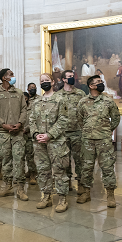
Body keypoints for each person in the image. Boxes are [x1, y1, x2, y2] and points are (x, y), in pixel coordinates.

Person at [77, 75, 120, 207]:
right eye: (98, 82)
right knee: (86, 167)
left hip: (104, 140)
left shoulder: (108, 101)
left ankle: (110, 195)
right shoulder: (82, 102)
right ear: (91, 86)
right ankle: (86, 193)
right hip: (88, 140)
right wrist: (88, 130)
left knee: (107, 167)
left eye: (101, 81)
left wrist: (106, 130)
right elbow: (80, 120)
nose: (101, 83)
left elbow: (116, 118)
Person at [30, 73, 70, 212]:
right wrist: (36, 134)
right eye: (42, 81)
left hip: (56, 142)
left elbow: (63, 119)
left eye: (47, 80)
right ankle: (46, 197)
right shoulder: (36, 101)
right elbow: (31, 120)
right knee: (43, 171)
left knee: (59, 171)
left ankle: (62, 199)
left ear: (52, 82)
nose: (44, 82)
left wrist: (49, 135)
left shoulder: (60, 99)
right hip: (39, 143)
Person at [0, 68, 27, 200]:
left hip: (18, 133)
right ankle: (7, 186)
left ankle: (20, 188)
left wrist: (20, 123)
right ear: (4, 78)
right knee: (6, 160)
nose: (13, 76)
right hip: (3, 134)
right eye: (11, 74)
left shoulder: (19, 93)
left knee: (19, 159)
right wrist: (3, 125)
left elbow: (24, 110)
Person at [57, 70, 86, 193]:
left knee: (79, 159)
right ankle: (67, 182)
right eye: (69, 76)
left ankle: (80, 183)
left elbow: (86, 111)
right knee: (64, 160)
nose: (72, 78)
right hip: (62, 133)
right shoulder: (57, 95)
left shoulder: (80, 94)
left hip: (77, 132)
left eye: (73, 76)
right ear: (63, 79)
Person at [24, 83, 39, 185]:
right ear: (28, 89)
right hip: (23, 133)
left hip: (32, 133)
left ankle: (33, 174)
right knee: (27, 155)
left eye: (34, 88)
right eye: (31, 88)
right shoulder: (25, 101)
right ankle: (29, 171)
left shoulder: (38, 100)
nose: (33, 89)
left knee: (32, 155)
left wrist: (28, 128)